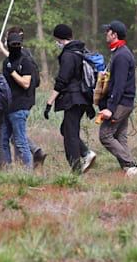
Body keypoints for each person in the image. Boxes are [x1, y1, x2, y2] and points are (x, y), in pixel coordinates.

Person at [45, 24, 96, 174]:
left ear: (59, 38)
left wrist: (50, 102)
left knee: (70, 134)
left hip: (73, 99)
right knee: (66, 129)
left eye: (56, 39)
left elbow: (62, 81)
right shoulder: (80, 51)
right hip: (82, 98)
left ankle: (76, 169)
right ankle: (86, 153)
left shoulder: (68, 55)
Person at [96, 20, 137, 177]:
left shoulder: (121, 55)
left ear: (114, 34)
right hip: (124, 103)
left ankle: (131, 164)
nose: (105, 33)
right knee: (120, 136)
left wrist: (110, 108)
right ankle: (129, 170)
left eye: (107, 31)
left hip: (120, 103)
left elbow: (119, 85)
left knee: (105, 135)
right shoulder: (119, 52)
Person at [0, 30, 45, 169]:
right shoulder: (6, 62)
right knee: (3, 141)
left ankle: (27, 172)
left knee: (20, 141)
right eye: (12, 44)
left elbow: (26, 83)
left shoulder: (26, 61)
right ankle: (6, 170)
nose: (15, 46)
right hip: (7, 106)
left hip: (20, 106)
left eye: (17, 44)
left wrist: (12, 71)